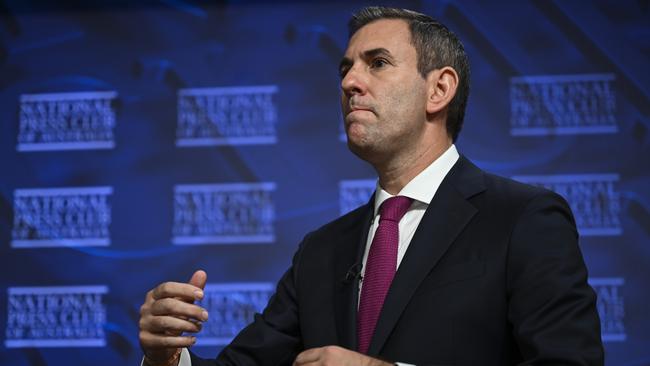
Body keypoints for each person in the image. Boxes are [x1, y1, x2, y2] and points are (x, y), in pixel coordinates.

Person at [138, 6, 604, 366]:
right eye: (345, 68)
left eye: (377, 63)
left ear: (438, 90)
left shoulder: (523, 218)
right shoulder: (320, 252)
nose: (350, 82)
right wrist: (167, 358)